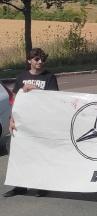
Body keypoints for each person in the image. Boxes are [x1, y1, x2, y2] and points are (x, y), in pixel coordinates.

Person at [4, 48, 58, 198]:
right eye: (36, 59)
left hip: (41, 122)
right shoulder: (21, 76)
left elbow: (54, 99)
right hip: (23, 122)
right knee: (20, 153)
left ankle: (42, 185)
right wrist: (11, 119)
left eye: (42, 59)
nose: (40, 62)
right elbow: (14, 99)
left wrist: (36, 89)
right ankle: (20, 186)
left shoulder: (49, 77)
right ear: (29, 61)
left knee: (40, 153)